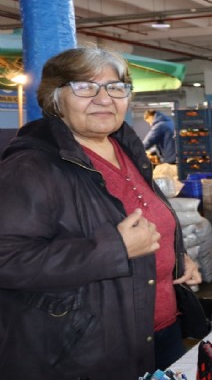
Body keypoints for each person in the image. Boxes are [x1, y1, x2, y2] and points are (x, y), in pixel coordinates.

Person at [0, 46, 201, 378]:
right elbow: (7, 259)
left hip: (162, 332)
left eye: (115, 87)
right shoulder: (30, 167)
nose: (104, 98)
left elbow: (147, 222)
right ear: (55, 98)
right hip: (89, 350)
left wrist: (175, 256)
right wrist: (115, 249)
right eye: (85, 87)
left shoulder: (126, 150)